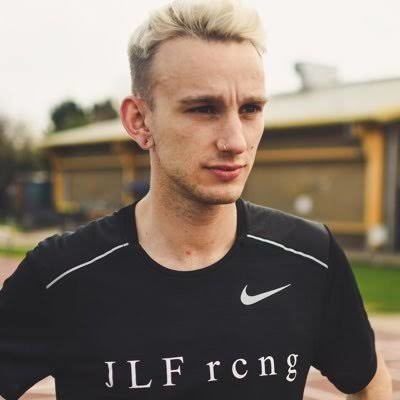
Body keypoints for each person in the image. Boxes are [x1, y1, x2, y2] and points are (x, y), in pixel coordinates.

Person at [0, 0, 393, 399]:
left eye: (251, 108)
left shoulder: (310, 257)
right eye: (204, 109)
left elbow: (369, 381)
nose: (235, 141)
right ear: (139, 120)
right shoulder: (62, 274)